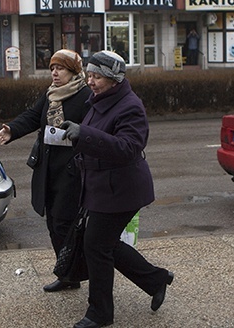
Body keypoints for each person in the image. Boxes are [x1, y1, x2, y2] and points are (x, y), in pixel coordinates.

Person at [59, 50, 174, 328]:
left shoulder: (129, 105)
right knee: (102, 243)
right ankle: (156, 278)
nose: (91, 81)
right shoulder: (100, 99)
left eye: (97, 76)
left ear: (113, 79)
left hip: (122, 189)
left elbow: (128, 148)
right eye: (89, 74)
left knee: (96, 245)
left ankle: (99, 313)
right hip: (101, 187)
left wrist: (83, 134)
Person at [0, 49, 91, 292]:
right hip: (49, 169)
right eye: (52, 68)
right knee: (53, 223)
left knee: (63, 224)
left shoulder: (86, 96)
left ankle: (74, 271)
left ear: (74, 71)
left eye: (61, 69)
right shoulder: (51, 95)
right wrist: (11, 130)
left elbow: (93, 131)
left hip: (72, 172)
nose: (55, 73)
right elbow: (32, 116)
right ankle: (68, 274)